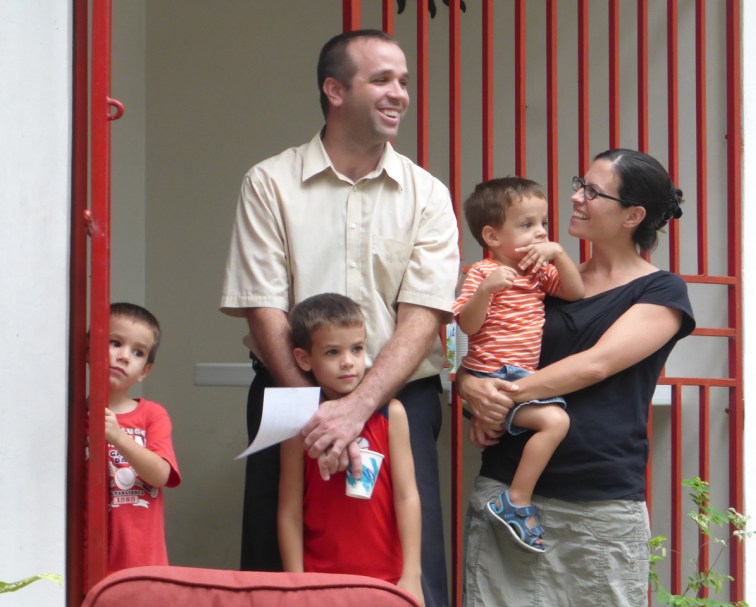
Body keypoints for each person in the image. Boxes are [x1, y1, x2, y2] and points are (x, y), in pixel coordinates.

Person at [219, 29, 458, 606]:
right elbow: (262, 305)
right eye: (382, 79)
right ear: (334, 89)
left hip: (400, 403)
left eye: (403, 80)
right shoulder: (269, 182)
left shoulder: (427, 195)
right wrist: (320, 411)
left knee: (409, 571)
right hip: (290, 393)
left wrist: (356, 407)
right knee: (281, 572)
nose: (399, 92)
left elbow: (423, 316)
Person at [458, 149, 695, 606]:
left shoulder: (661, 290)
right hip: (506, 489)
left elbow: (596, 364)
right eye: (579, 183)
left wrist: (503, 397)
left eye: (592, 191)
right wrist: (472, 388)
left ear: (634, 215)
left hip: (597, 504)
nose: (575, 197)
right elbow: (486, 351)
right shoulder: (540, 281)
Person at [452, 177, 584, 553]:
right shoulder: (480, 273)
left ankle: (490, 428)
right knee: (555, 421)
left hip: (519, 378)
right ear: (492, 237)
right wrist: (485, 290)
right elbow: (467, 325)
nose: (540, 232)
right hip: (490, 374)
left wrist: (558, 254)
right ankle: (517, 501)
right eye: (527, 225)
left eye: (543, 223)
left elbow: (575, 292)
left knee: (517, 423)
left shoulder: (538, 271)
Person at [278, 293, 423, 605]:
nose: (348, 361)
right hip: (318, 583)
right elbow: (289, 511)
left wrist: (411, 575)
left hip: (387, 581)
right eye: (332, 352)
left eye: (357, 349)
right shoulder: (298, 424)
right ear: (304, 359)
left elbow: (407, 496)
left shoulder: (391, 414)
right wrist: (296, 583)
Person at [103, 302, 181, 573]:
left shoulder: (152, 415)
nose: (124, 356)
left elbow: (160, 475)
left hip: (141, 561)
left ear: (145, 371)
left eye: (137, 352)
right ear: (90, 349)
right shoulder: (74, 415)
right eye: (115, 343)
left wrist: (119, 438)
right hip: (87, 559)